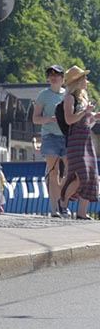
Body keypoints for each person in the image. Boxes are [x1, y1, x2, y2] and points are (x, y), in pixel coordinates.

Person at [57, 65, 97, 219]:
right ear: (78, 81)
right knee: (80, 175)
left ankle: (82, 213)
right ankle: (63, 202)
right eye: (84, 78)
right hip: (76, 141)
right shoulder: (69, 98)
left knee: (91, 176)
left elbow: (87, 119)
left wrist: (94, 116)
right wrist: (85, 112)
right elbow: (69, 119)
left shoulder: (83, 97)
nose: (86, 80)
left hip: (86, 139)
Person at [33, 65, 68, 216]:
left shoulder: (68, 94)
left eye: (57, 74)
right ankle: (54, 208)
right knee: (53, 173)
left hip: (67, 137)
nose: (54, 77)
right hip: (50, 137)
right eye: (50, 74)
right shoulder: (43, 95)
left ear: (62, 78)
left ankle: (63, 201)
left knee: (69, 172)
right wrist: (50, 119)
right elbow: (35, 119)